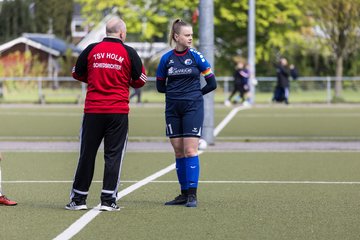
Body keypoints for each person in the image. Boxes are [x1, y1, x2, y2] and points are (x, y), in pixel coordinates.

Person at [66, 16, 147, 211]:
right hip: (117, 112)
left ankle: (78, 199)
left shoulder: (91, 49)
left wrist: (94, 78)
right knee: (113, 156)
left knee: (87, 154)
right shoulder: (129, 52)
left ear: (106, 32)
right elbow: (141, 79)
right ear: (122, 33)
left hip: (93, 111)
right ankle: (108, 200)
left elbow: (76, 73)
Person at [156, 19, 217, 208]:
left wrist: (195, 95)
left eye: (191, 35)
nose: (190, 38)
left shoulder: (197, 56)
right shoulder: (166, 59)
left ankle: (192, 194)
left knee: (190, 150)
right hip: (172, 109)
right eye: (187, 35)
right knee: (178, 151)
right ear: (176, 37)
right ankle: (183, 193)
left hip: (193, 108)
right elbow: (160, 86)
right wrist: (176, 95)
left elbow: (212, 83)